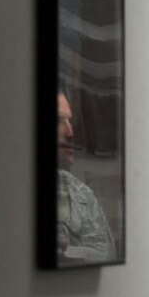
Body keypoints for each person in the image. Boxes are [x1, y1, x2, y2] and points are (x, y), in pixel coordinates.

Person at [55, 89, 115, 264]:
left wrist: (67, 251)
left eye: (69, 121)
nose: (70, 132)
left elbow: (104, 255)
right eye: (59, 121)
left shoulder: (80, 193)